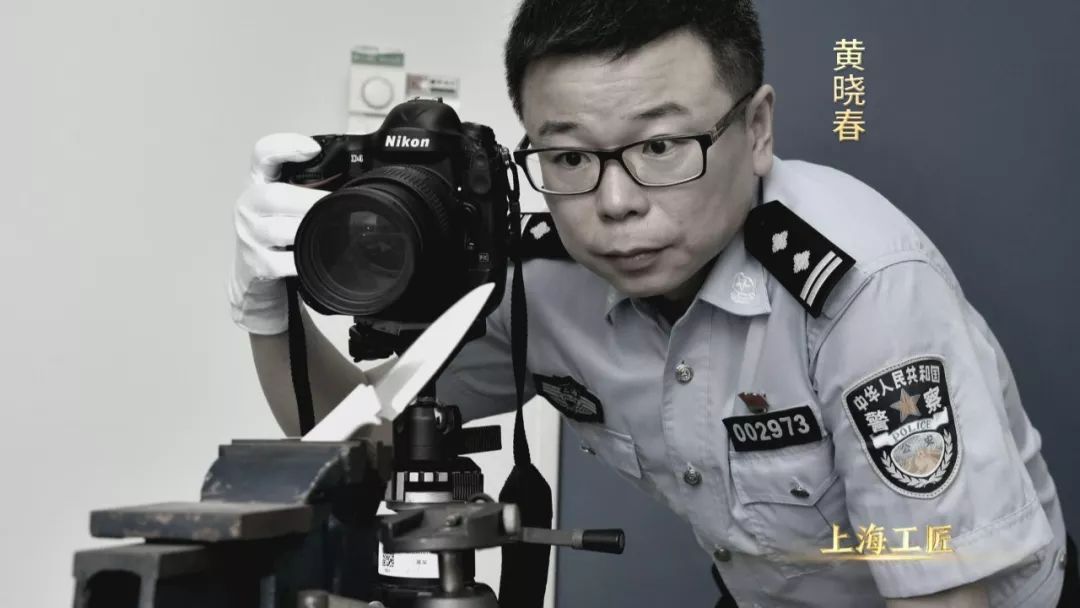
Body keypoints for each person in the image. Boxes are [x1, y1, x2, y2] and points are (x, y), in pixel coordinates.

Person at [227, 0, 1075, 605]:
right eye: (568, 157)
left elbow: (945, 590)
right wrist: (269, 309)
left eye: (662, 146)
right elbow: (354, 437)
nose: (615, 203)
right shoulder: (545, 278)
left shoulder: (862, 291)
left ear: (757, 130)